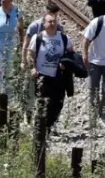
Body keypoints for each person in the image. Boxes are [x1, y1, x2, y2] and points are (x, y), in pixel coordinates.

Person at [25, 9, 72, 140]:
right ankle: (41, 130)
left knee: (57, 104)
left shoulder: (64, 38)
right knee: (42, 103)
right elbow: (30, 54)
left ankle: (48, 126)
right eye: (49, 21)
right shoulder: (38, 38)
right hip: (42, 76)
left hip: (58, 77)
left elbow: (71, 54)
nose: (52, 24)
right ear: (44, 23)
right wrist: (32, 68)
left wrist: (66, 63)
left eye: (54, 21)